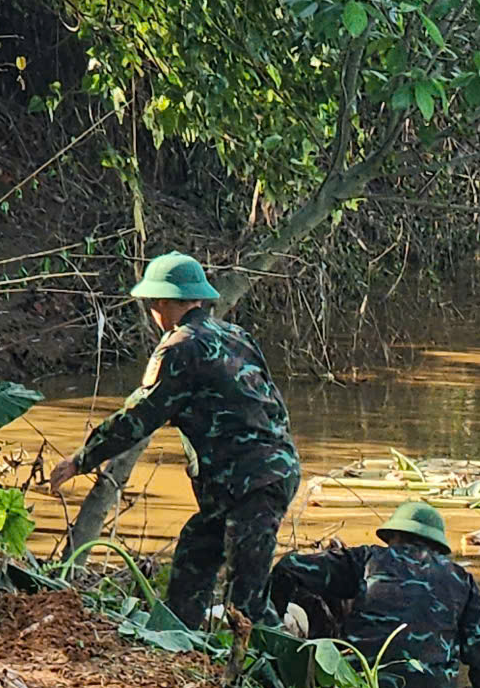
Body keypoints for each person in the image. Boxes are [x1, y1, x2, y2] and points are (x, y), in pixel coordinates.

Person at [43, 252, 302, 630]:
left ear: (162, 305)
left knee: (246, 602)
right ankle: (177, 642)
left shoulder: (179, 346)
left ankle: (281, 676)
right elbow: (274, 404)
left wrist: (81, 459)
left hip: (251, 485)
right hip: (260, 474)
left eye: (152, 305)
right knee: (194, 556)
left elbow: (138, 417)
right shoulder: (235, 334)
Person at [267, 502, 480, 688]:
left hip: (363, 686)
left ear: (392, 536)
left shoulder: (367, 560)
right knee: (433, 682)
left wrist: (276, 624)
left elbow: (290, 567)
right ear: (438, 546)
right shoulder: (461, 580)